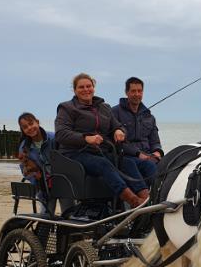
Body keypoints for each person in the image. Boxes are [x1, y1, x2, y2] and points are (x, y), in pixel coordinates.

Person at [54, 73, 149, 208]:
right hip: (75, 154)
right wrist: (86, 138)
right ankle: (133, 201)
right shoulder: (67, 108)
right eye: (81, 87)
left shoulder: (104, 107)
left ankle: (146, 198)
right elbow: (61, 134)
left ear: (93, 87)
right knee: (103, 164)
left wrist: (119, 131)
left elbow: (118, 126)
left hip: (99, 152)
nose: (86, 89)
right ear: (75, 90)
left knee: (127, 163)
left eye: (89, 86)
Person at [111, 77, 163, 186]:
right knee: (149, 166)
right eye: (133, 91)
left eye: (139, 91)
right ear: (127, 92)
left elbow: (155, 141)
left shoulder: (149, 117)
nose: (137, 94)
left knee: (170, 164)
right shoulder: (115, 112)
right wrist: (138, 154)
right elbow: (116, 142)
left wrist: (157, 152)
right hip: (128, 156)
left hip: (148, 155)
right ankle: (151, 199)